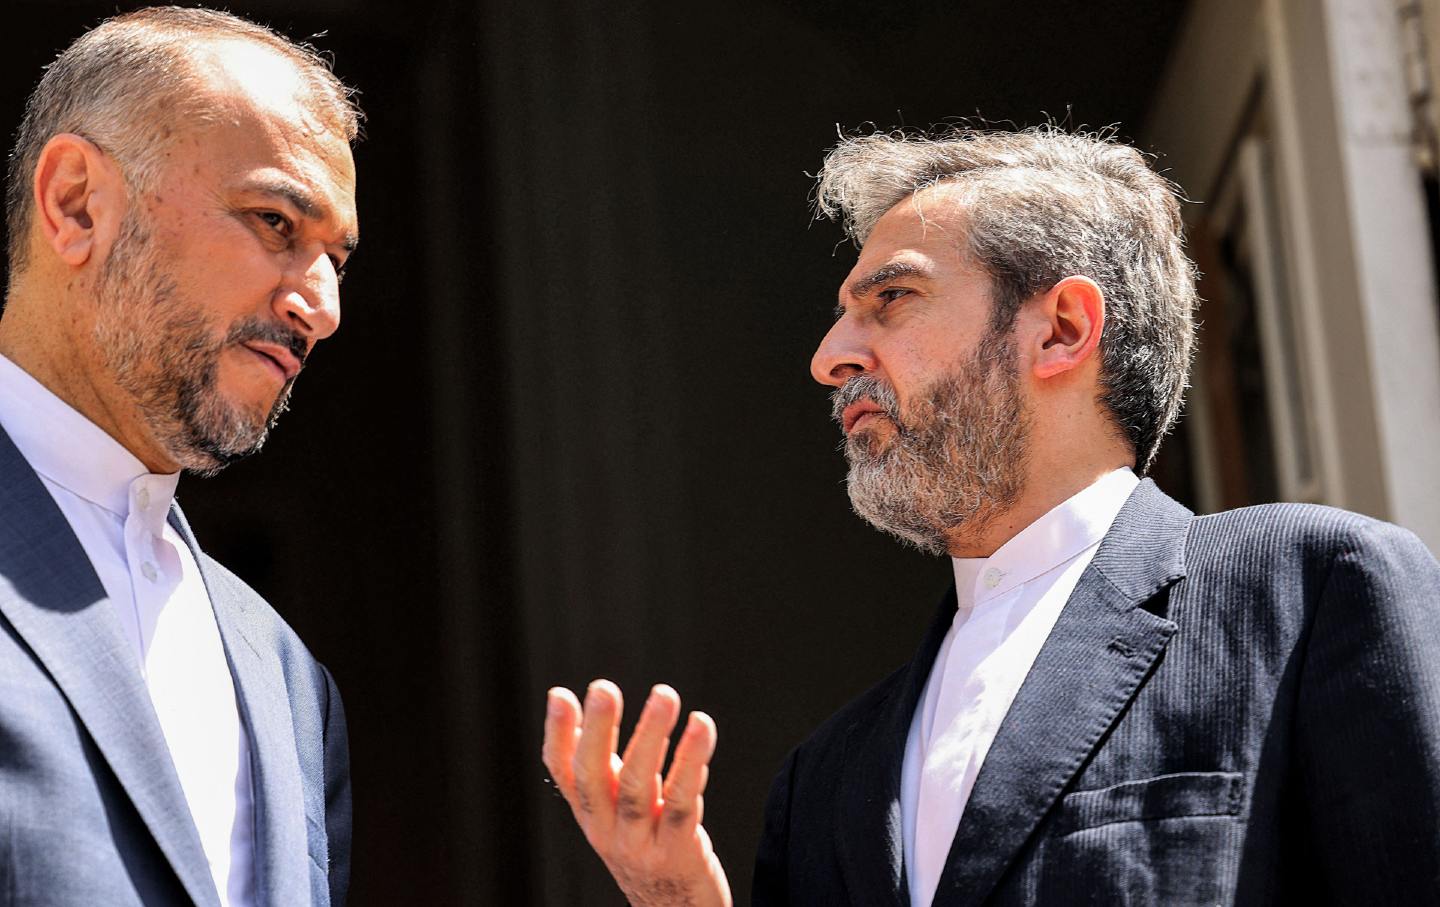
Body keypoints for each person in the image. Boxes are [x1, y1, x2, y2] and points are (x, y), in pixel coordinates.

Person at [541, 127, 1440, 905]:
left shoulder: (1314, 591)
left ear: (1061, 329)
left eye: (890, 298)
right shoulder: (824, 781)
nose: (829, 356)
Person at [0, 8, 359, 905]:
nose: (322, 308)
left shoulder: (285, 677)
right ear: (77, 203)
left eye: (337, 261)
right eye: (276, 221)